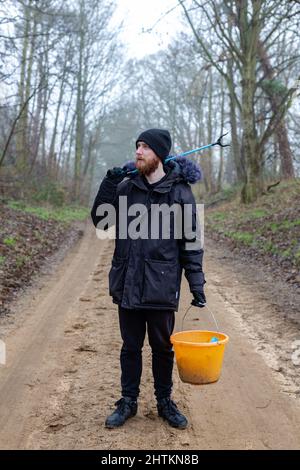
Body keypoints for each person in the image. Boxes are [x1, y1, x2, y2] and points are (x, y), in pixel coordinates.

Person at [91, 128, 206, 430]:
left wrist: (196, 284)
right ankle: (128, 401)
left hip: (161, 284)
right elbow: (102, 222)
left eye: (145, 147)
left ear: (159, 154)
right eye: (137, 146)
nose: (138, 151)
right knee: (130, 347)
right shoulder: (126, 187)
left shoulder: (180, 193)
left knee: (162, 348)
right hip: (128, 281)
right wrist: (109, 182)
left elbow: (191, 242)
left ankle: (164, 401)